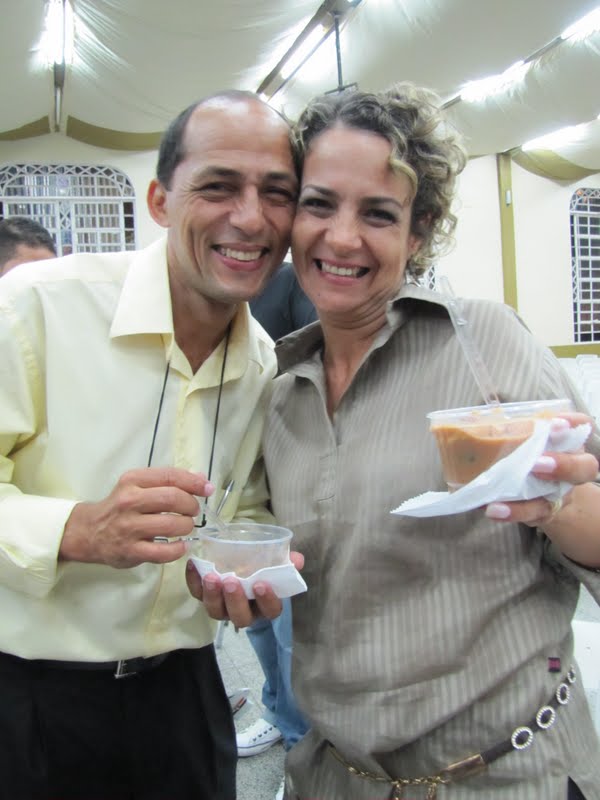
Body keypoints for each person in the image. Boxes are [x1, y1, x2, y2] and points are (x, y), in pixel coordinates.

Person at [192, 84, 600, 799]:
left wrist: (561, 504)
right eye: (319, 204)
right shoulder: (278, 388)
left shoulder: (485, 343)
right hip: (336, 777)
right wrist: (242, 588)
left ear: (418, 231)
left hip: (503, 775)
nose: (341, 237)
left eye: (378, 214)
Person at [0, 89, 298, 800]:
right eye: (218, 187)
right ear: (161, 201)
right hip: (30, 701)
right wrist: (76, 529)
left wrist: (250, 571)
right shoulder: (37, 306)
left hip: (184, 697)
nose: (250, 217)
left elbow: (245, 505)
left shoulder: (262, 361)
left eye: (277, 194)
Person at [233, 269, 314, 798]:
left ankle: (301, 754)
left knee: (290, 634)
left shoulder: (296, 283)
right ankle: (277, 713)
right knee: (256, 620)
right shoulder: (227, 294)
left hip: (297, 478)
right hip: (249, 488)